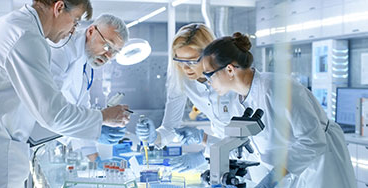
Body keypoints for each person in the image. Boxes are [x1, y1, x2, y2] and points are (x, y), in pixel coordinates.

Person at [0, 0, 129, 187]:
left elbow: (71, 109)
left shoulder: (18, 28)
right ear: (59, 8)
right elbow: (53, 113)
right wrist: (102, 119)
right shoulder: (26, 37)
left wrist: (95, 132)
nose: (75, 30)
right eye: (75, 21)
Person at [201, 32, 356, 188]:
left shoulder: (277, 88)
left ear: (229, 70)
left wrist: (273, 178)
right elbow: (248, 148)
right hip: (285, 174)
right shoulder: (237, 101)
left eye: (209, 75)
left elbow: (313, 142)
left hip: (319, 168)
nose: (208, 82)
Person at [136, 23, 242, 172]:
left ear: (210, 55)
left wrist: (203, 156)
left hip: (252, 157)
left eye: (192, 61)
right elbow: (169, 128)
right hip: (219, 152)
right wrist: (154, 137)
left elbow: (247, 140)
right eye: (180, 61)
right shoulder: (181, 79)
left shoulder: (231, 78)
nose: (185, 68)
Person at [49, 13, 129, 164]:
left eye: (115, 52)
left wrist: (96, 160)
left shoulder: (86, 65)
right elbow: (50, 111)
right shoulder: (62, 48)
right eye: (107, 46)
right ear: (91, 31)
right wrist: (99, 122)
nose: (108, 55)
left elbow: (81, 109)